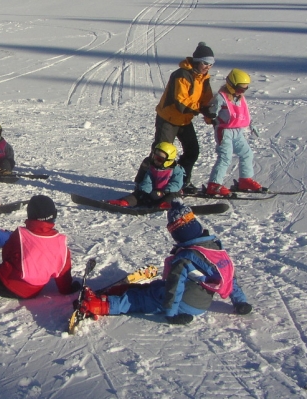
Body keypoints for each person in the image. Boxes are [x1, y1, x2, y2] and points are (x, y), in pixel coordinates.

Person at [78, 198, 252, 324]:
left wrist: (171, 313)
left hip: (185, 304)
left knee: (139, 300)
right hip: (201, 302)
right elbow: (229, 278)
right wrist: (240, 302)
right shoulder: (214, 249)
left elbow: (174, 287)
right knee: (151, 289)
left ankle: (100, 305)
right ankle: (119, 291)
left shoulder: (185, 258)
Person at [134, 42, 215, 194]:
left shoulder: (204, 78)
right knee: (160, 154)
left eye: (211, 64)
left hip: (184, 120)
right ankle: (143, 182)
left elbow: (206, 99)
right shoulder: (182, 74)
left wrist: (211, 115)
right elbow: (181, 102)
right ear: (197, 61)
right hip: (168, 119)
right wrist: (200, 109)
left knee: (192, 151)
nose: (208, 66)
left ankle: (180, 182)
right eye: (205, 63)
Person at [204, 68, 263, 196]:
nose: (242, 92)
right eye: (240, 88)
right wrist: (212, 114)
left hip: (237, 131)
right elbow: (210, 112)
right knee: (225, 157)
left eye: (245, 89)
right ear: (231, 85)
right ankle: (214, 184)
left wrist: (251, 124)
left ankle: (245, 180)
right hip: (224, 132)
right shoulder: (221, 97)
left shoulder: (240, 98)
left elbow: (244, 113)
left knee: (247, 153)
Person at [108, 142, 184, 209]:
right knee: (139, 195)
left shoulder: (176, 170)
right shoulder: (152, 168)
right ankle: (124, 202)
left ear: (168, 161)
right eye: (154, 157)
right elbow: (148, 181)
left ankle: (165, 205)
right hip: (153, 193)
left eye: (159, 159)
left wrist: (163, 192)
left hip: (167, 193)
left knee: (174, 196)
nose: (155, 161)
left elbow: (176, 184)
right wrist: (145, 191)